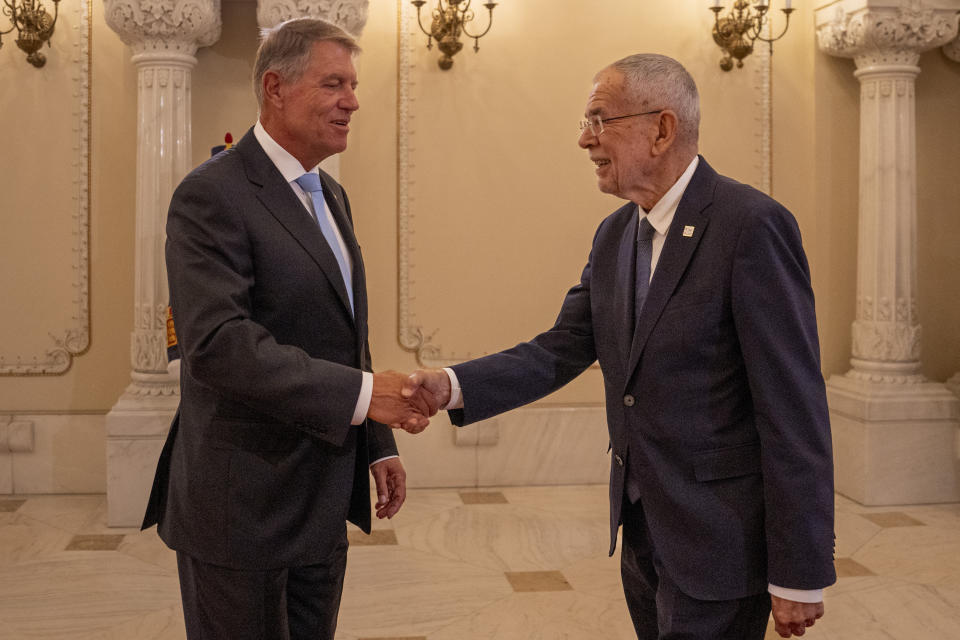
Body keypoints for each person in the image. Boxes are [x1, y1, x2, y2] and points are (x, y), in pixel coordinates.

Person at [402, 54, 835, 639]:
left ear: (662, 129)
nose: (585, 140)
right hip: (642, 534)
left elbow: (794, 408)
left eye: (600, 120)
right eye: (584, 123)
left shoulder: (750, 226)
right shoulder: (615, 235)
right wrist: (451, 385)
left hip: (720, 544)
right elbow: (560, 349)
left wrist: (800, 571)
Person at [141, 18, 436, 640]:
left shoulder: (330, 194)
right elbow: (217, 345)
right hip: (241, 505)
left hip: (322, 495)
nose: (352, 100)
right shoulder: (211, 194)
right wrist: (363, 397)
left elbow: (344, 331)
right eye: (334, 83)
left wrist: (376, 440)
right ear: (275, 87)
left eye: (353, 84)